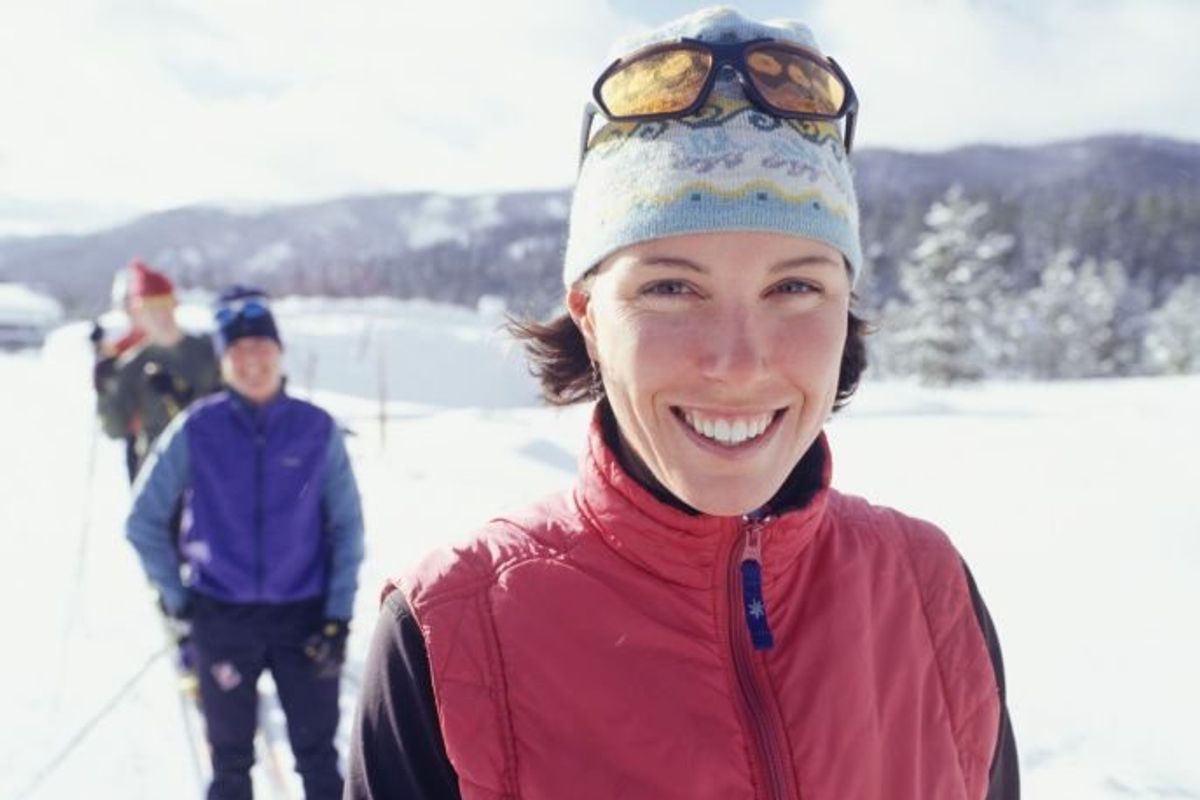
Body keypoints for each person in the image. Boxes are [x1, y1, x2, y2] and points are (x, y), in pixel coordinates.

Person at [347, 7, 1018, 800]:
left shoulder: (927, 589)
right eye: (671, 287)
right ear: (591, 316)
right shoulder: (450, 632)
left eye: (796, 286)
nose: (738, 362)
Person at [126, 287, 366, 800]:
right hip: (222, 617)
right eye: (238, 351)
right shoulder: (197, 427)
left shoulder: (315, 428)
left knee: (320, 761)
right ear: (223, 360)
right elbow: (143, 520)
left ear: (279, 353)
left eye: (262, 348)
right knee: (231, 765)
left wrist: (337, 616)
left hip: (304, 620)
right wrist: (180, 600)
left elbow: (347, 527)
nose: (252, 361)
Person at [95, 258, 220, 481]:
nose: (160, 317)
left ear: (174, 304)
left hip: (210, 465)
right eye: (150, 309)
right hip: (158, 474)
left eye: (163, 306)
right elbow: (115, 429)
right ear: (138, 313)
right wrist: (104, 389)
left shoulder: (208, 352)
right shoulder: (132, 365)